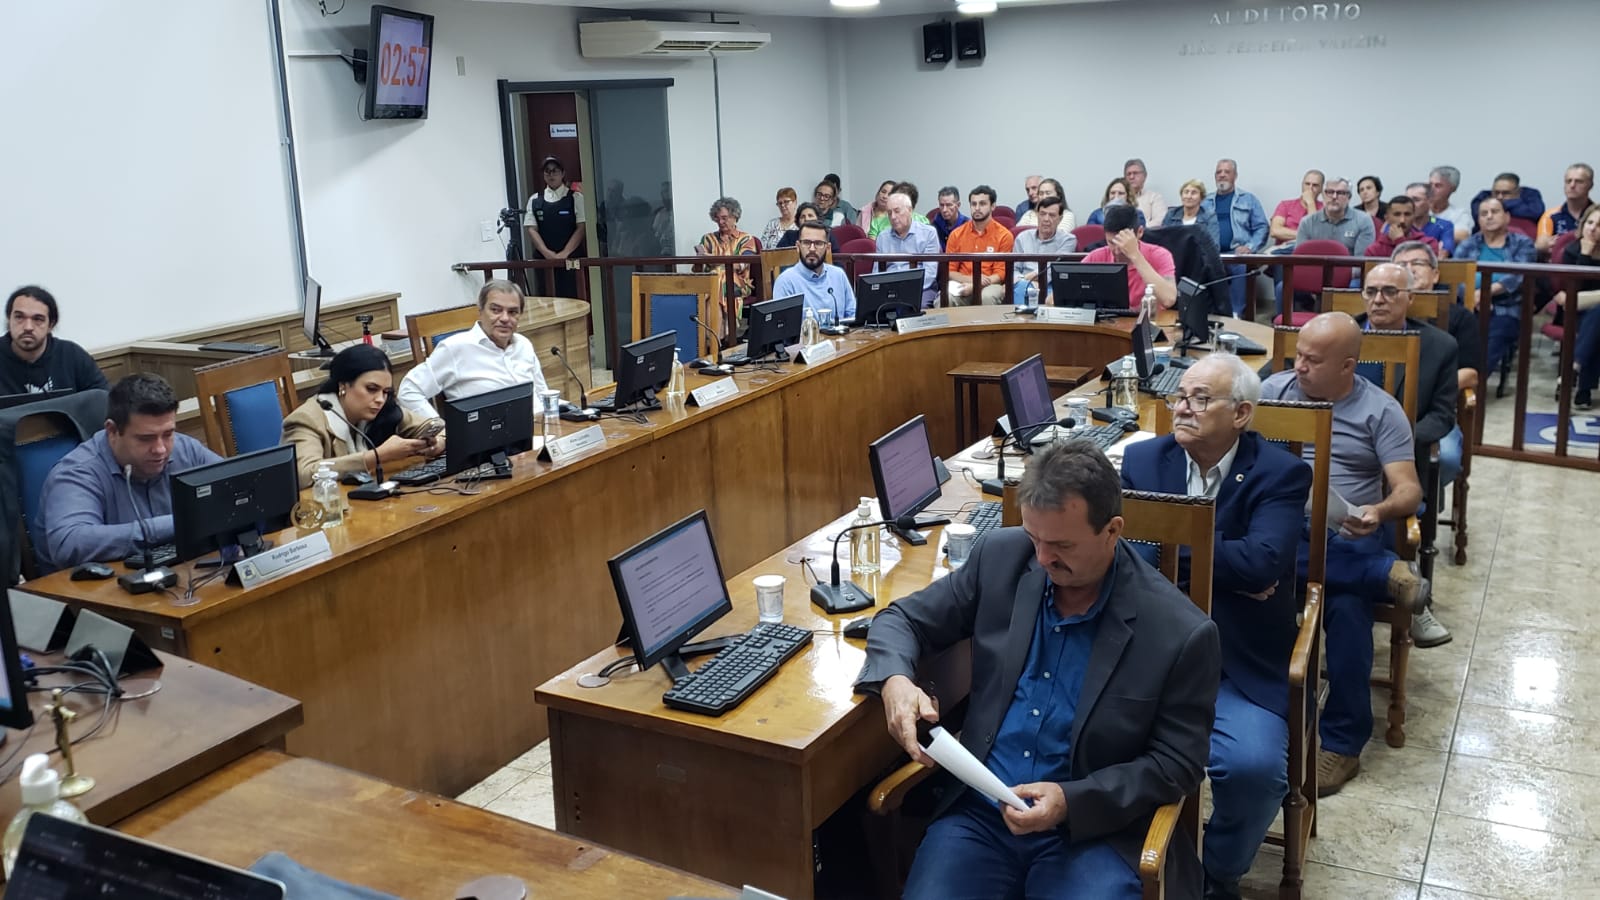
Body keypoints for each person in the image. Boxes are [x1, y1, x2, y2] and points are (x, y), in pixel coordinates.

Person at [855, 440, 1220, 900]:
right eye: (1034, 538)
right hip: (982, 815)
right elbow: (902, 619)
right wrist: (895, 681)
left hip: (1094, 832)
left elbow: (1177, 764)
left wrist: (1071, 802)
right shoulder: (1002, 557)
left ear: (1112, 531)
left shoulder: (1180, 632)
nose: (1043, 558)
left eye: (1062, 545)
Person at [1119, 354, 1311, 900]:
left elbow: (1264, 563)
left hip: (1238, 660)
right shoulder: (1143, 460)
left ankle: (1216, 876)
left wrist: (1168, 547)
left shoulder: (1281, 473)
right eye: (1180, 395)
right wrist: (1224, 563)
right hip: (1146, 652)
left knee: (1255, 772)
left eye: (1201, 399)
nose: (1182, 408)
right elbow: (1126, 558)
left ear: (1241, 413)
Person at [1260, 313, 1425, 796]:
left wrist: (1379, 511)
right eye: (1297, 356)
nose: (1299, 367)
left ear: (1348, 366)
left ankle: (1343, 743)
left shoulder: (1381, 410)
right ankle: (1380, 574)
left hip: (1347, 531)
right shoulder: (1273, 392)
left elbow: (1409, 490)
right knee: (1256, 556)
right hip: (1281, 528)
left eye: (1312, 361)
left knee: (1347, 608)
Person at [1354, 262, 1461, 648]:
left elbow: (1442, 416)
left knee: (1394, 502)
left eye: (1389, 292)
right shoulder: (1340, 334)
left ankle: (1409, 597)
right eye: (1371, 291)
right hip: (1338, 453)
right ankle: (1400, 588)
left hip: (1400, 457)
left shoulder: (1439, 346)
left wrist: (1394, 443)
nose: (1378, 300)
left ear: (1411, 298)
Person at [32, 373, 222, 573]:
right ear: (112, 431)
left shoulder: (186, 449)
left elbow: (235, 489)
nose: (160, 449)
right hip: (93, 587)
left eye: (167, 434)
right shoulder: (77, 472)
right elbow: (69, 543)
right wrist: (179, 523)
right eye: (145, 439)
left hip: (175, 575)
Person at [282, 344, 444, 488]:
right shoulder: (306, 419)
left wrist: (436, 444)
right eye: (371, 389)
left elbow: (439, 427)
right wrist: (376, 456)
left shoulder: (384, 409)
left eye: (386, 392)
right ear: (343, 385)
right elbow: (303, 474)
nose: (380, 399)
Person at [1392, 240, 1480, 489]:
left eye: (1417, 263)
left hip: (1434, 411)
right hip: (1383, 411)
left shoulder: (1460, 317)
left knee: (1447, 459)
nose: (1409, 269)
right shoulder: (1379, 316)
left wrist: (1428, 387)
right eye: (1401, 265)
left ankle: (1423, 504)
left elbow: (1471, 374)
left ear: (1435, 274)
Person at [398, 279, 549, 418]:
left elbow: (544, 395)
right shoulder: (455, 348)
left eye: (512, 312)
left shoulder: (524, 344)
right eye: (496, 310)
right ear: (480, 311)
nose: (504, 318)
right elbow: (408, 391)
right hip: (490, 434)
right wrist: (439, 429)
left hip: (541, 428)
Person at [1453, 197, 1538, 375]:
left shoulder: (1522, 243)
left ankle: (1475, 383)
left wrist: (1485, 294)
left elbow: (1518, 276)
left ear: (1507, 217)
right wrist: (1473, 297)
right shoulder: (1468, 244)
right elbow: (1456, 275)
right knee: (1452, 334)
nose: (1489, 216)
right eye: (1484, 213)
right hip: (1469, 304)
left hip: (1505, 307)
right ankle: (1455, 382)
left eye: (1495, 212)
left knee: (1494, 339)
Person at [1, 286, 108, 397]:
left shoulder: (72, 355)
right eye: (19, 317)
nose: (28, 327)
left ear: (51, 325)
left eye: (38, 319)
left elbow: (104, 398)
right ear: (9, 320)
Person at [1203, 159, 1269, 317]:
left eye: (1227, 172)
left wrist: (1250, 247)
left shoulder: (1248, 199)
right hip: (1212, 253)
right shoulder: (1205, 201)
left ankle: (1235, 314)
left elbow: (1262, 227)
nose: (1222, 175)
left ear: (1235, 176)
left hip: (1237, 254)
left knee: (1241, 266)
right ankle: (1206, 314)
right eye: (1219, 172)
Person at [1083, 204, 1177, 309]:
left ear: (1140, 232)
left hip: (1150, 317)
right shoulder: (1096, 257)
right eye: (1111, 242)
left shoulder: (1160, 255)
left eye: (1123, 243)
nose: (1117, 251)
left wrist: (1135, 255)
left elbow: (1169, 299)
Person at [1552, 205, 1600, 408]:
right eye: (1590, 222)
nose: (1593, 228)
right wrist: (1585, 255)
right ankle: (1583, 389)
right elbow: (1572, 289)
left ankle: (1574, 369)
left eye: (1599, 225)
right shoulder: (1572, 250)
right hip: (1574, 313)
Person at [523, 157, 585, 298]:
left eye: (555, 171)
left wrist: (564, 253)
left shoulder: (575, 197)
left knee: (573, 297)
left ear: (562, 173)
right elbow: (531, 229)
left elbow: (581, 227)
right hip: (545, 260)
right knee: (547, 297)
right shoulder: (535, 200)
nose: (551, 175)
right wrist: (547, 253)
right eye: (547, 171)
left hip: (571, 259)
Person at [945, 185, 1015, 306]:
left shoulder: (1004, 235)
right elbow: (950, 271)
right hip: (963, 282)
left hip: (990, 284)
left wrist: (975, 285)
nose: (977, 208)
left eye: (982, 204)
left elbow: (1000, 274)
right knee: (945, 297)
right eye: (973, 204)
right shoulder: (956, 234)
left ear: (993, 206)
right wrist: (973, 280)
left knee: (987, 297)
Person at [772, 221, 856, 321]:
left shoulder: (839, 275)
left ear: (828, 248)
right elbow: (783, 326)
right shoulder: (785, 281)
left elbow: (853, 316)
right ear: (798, 247)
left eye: (818, 243)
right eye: (806, 243)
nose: (812, 249)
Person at [693, 197, 759, 317]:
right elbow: (697, 270)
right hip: (711, 283)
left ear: (735, 217)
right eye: (717, 218)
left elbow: (742, 264)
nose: (720, 222)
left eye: (724, 218)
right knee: (715, 279)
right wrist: (700, 259)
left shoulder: (746, 239)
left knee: (717, 276)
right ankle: (722, 327)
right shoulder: (708, 239)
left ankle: (713, 328)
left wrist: (714, 259)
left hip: (738, 282)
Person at [875, 192, 941, 308]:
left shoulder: (928, 233)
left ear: (910, 210)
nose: (893, 217)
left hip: (921, 288)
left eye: (897, 211)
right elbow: (876, 272)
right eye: (889, 213)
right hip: (889, 290)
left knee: (918, 307)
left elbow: (929, 274)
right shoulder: (882, 237)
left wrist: (906, 290)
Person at [1012, 196, 1077, 306]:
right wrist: (1026, 281)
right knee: (1021, 288)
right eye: (1042, 214)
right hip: (1023, 284)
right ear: (1037, 215)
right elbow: (1014, 269)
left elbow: (1052, 269)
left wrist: (1033, 279)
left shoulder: (1068, 240)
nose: (1046, 219)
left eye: (1052, 215)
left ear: (1060, 219)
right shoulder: (1022, 238)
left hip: (1052, 285)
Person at [1294, 178, 1375, 254]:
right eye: (1330, 192)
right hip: (1315, 264)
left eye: (1340, 193)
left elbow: (1361, 260)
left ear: (1349, 198)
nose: (1334, 197)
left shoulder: (1363, 221)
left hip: (1349, 265)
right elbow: (1300, 258)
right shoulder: (1307, 222)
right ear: (1323, 195)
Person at [1536, 163, 1594, 253]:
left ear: (1590, 185)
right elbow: (1541, 245)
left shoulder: (1597, 214)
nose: (1572, 185)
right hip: (1560, 260)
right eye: (1568, 181)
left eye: (1579, 181)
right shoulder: (1551, 215)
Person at [1364, 195, 1441, 257]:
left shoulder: (1428, 244)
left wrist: (1399, 240)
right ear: (1387, 218)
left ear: (1414, 217)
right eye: (1397, 214)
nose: (1402, 220)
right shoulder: (1374, 250)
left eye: (1407, 214)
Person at [1470, 172, 1546, 229]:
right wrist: (1516, 204)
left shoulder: (1531, 194)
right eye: (1496, 192)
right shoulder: (1483, 196)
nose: (1500, 197)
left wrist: (1498, 207)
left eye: (1506, 193)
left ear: (1518, 192)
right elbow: (1478, 215)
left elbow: (1536, 213)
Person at [1269, 170, 1325, 248]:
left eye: (1315, 185)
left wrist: (1310, 203)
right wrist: (1305, 235)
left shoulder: (1326, 209)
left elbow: (1317, 235)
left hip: (1311, 250)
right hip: (1285, 249)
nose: (1310, 188)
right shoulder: (1285, 205)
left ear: (1321, 189)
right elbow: (1275, 231)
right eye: (1307, 184)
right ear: (1302, 185)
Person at [1161, 179, 1220, 248]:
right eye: (1186, 192)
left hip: (1199, 254)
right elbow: (1162, 240)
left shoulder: (1210, 217)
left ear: (1201, 198)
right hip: (1174, 253)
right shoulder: (1171, 214)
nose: (1189, 196)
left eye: (1194, 193)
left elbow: (1214, 246)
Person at [1404, 182, 1457, 255]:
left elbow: (1443, 254)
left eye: (1416, 200)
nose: (1410, 205)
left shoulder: (1443, 226)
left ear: (1430, 201)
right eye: (1406, 200)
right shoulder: (1397, 225)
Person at [1427, 165, 1472, 242]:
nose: (1431, 189)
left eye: (1438, 186)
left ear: (1453, 189)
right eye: (1430, 184)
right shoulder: (1417, 209)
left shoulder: (1459, 214)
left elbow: (1462, 236)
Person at [775, 202, 842, 253]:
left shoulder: (828, 236)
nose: (806, 219)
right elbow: (777, 256)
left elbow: (837, 261)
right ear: (798, 221)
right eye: (802, 217)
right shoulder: (789, 236)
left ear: (818, 218)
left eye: (810, 216)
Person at [1124, 158, 1167, 226]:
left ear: (1145, 176)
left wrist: (1138, 229)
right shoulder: (1120, 197)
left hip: (1146, 231)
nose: (1131, 177)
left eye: (1135, 173)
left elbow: (1160, 220)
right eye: (1128, 174)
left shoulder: (1154, 197)